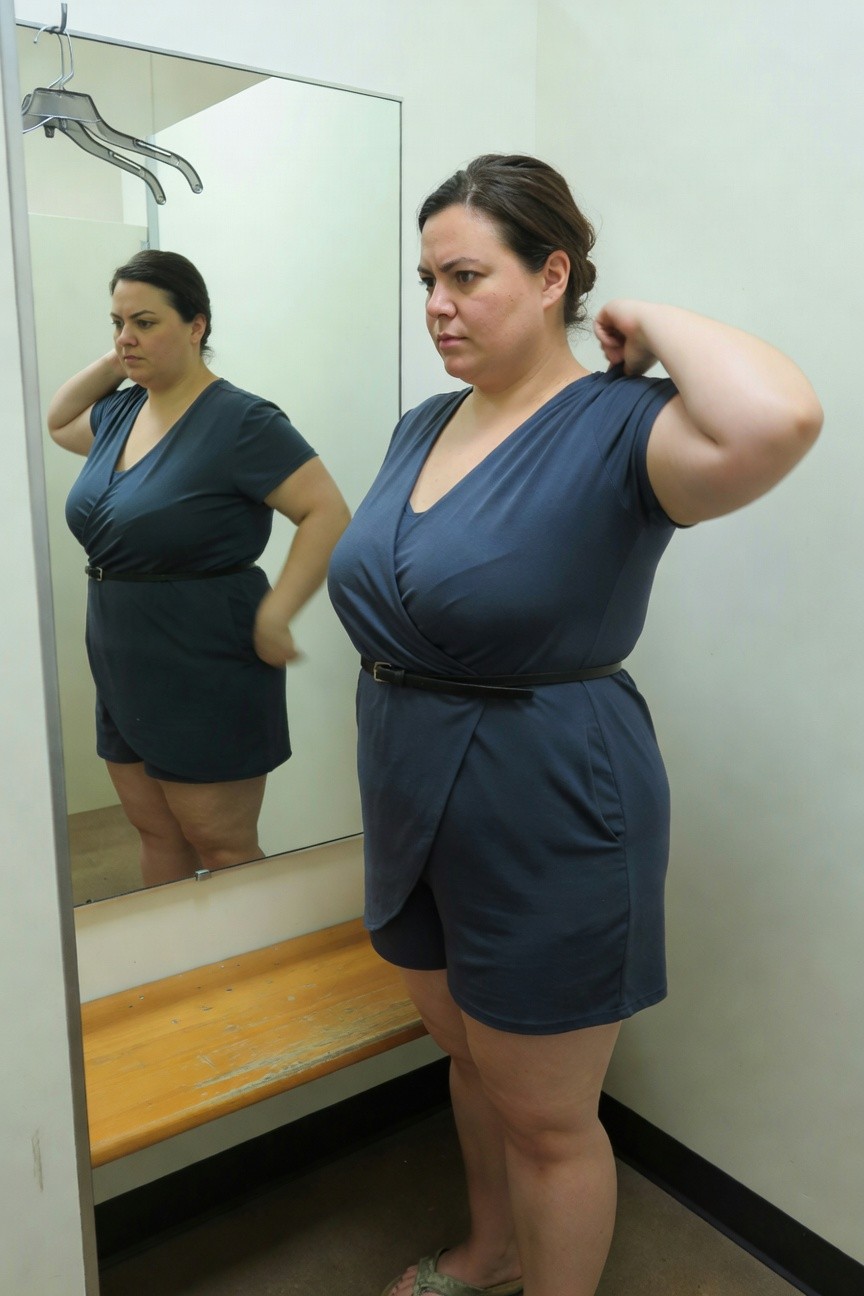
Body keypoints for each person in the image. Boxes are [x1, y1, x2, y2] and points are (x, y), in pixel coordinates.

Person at [327, 154, 822, 1296]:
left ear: (554, 276)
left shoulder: (621, 426)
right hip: (410, 786)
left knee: (551, 1118)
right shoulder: (423, 424)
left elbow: (780, 416)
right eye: (425, 280)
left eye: (465, 275)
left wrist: (642, 316)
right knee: (470, 1059)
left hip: (549, 795)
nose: (438, 306)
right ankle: (490, 1251)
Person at [48, 249, 350, 888]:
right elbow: (59, 419)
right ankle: (182, 974)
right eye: (117, 322)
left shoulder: (242, 421)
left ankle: (252, 981)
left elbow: (327, 512)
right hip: (122, 650)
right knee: (155, 829)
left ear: (197, 326)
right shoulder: (122, 412)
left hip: (205, 651)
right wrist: (124, 356)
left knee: (222, 843)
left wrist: (277, 614)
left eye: (147, 322)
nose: (127, 336)